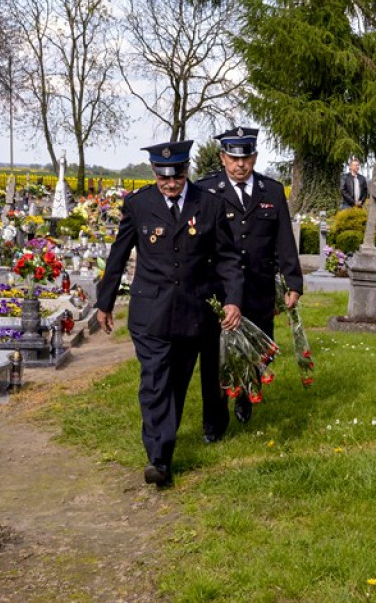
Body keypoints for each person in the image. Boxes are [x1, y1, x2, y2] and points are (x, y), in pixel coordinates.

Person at [96, 140, 242, 487]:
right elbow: (118, 255)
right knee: (154, 381)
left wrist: (233, 300)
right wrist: (105, 301)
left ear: (187, 170)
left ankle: (163, 443)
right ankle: (158, 458)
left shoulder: (209, 205)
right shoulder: (139, 204)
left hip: (193, 312)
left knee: (175, 382)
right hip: (151, 312)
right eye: (164, 178)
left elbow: (228, 258)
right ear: (153, 172)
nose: (171, 184)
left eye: (177, 177)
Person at [196, 126, 303, 426]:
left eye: (246, 158)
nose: (240, 165)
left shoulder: (272, 191)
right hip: (219, 289)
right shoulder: (206, 190)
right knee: (215, 356)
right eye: (233, 159)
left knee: (256, 351)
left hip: (258, 287)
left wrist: (293, 282)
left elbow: (284, 240)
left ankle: (245, 395)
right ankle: (214, 421)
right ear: (223, 158)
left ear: (254, 158)